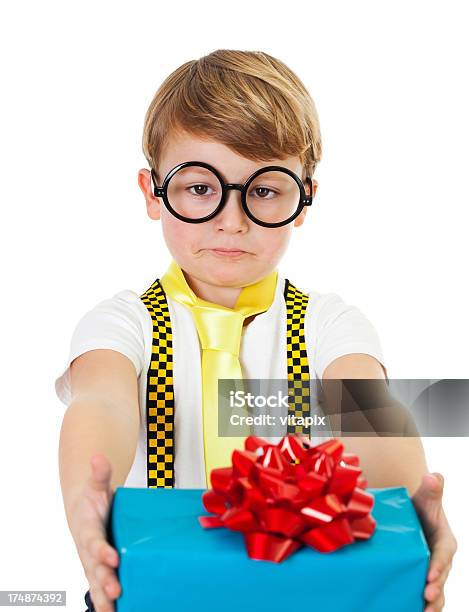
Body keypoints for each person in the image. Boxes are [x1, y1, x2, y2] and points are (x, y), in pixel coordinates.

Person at [55, 49, 457, 612]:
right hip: (156, 586)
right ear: (152, 192)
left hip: (304, 590)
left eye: (264, 190)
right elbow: (104, 401)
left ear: (305, 198)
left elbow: (370, 415)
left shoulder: (329, 324)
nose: (232, 219)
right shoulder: (124, 323)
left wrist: (407, 512)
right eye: (199, 189)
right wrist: (84, 498)